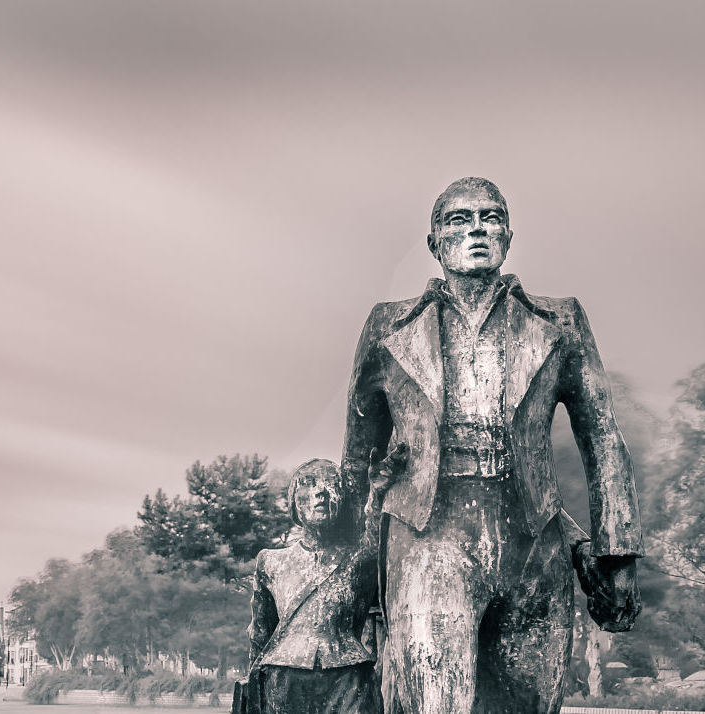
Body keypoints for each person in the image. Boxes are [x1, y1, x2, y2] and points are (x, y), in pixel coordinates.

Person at [342, 177, 643, 714]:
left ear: (508, 236)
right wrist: (351, 558)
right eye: (459, 219)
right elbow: (358, 454)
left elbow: (600, 434)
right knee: (435, 701)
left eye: (491, 217)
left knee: (529, 703)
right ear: (434, 242)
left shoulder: (560, 320)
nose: (477, 229)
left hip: (533, 540)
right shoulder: (388, 325)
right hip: (425, 534)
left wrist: (616, 554)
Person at [242, 451, 402, 714]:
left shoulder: (358, 559)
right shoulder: (270, 562)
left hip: (347, 678)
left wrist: (377, 494)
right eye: (309, 484)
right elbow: (261, 633)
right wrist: (251, 685)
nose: (322, 492)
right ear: (294, 503)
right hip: (283, 679)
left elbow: (377, 540)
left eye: (332, 485)